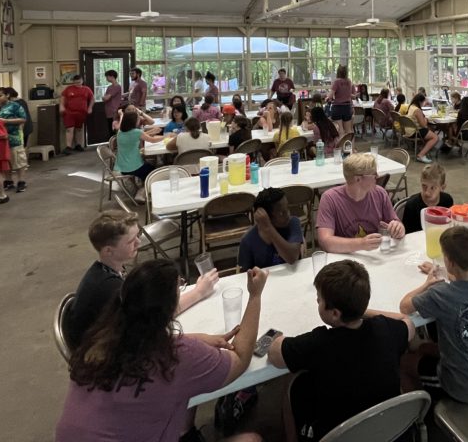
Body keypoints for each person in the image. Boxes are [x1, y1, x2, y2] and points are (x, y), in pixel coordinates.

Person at [57, 258, 265, 442]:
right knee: (251, 439)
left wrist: (198, 339)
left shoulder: (101, 338)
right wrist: (255, 296)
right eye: (180, 286)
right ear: (170, 307)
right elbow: (240, 357)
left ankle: (186, 432)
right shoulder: (179, 356)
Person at [267, 260, 414, 442]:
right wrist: (360, 310)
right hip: (389, 431)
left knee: (291, 382)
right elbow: (406, 321)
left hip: (337, 433)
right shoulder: (386, 329)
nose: (317, 301)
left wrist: (278, 338)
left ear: (335, 313)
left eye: (319, 299)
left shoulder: (318, 343)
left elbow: (274, 355)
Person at [65, 212, 218, 349]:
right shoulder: (111, 288)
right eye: (131, 241)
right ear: (108, 251)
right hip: (102, 357)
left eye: (138, 235)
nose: (139, 242)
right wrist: (199, 292)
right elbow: (155, 319)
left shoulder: (104, 270)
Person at [400, 226, 468, 403]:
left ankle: (419, 417)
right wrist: (442, 271)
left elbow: (404, 306)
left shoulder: (440, 294)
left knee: (405, 363)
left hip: (458, 386)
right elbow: (461, 281)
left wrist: (427, 284)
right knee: (425, 346)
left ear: (449, 262)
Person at [315, 153, 405, 252]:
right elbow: (325, 242)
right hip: (345, 258)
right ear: (358, 179)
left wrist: (398, 229)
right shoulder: (330, 199)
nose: (378, 176)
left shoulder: (380, 193)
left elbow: (397, 224)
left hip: (375, 256)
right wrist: (361, 244)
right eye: (374, 174)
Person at [238, 188, 304, 270]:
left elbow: (292, 258)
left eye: (287, 208)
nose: (287, 214)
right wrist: (267, 225)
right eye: (281, 212)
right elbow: (244, 275)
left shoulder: (293, 223)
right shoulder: (248, 240)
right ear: (266, 217)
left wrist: (269, 228)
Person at [114, 109, 163, 188]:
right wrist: (167, 136)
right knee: (154, 172)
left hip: (122, 167)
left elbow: (137, 135)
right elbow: (152, 140)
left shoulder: (120, 132)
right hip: (134, 167)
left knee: (149, 167)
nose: (139, 120)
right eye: (138, 119)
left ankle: (142, 187)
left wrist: (121, 114)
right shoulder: (136, 132)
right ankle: (145, 191)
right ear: (133, 122)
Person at [0, 87, 28, 193]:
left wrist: (5, 121)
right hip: (0, 139)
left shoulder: (15, 106)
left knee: (18, 161)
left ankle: (21, 182)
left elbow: (23, 119)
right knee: (5, 162)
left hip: (14, 137)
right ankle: (8, 181)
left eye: (0, 96)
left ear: (7, 95)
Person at [402, 163, 455, 234]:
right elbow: (407, 235)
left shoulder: (447, 200)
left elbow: (449, 228)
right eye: (424, 186)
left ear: (442, 187)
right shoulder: (412, 205)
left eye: (432, 188)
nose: (427, 192)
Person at [59, 74, 94, 154]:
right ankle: (68, 147)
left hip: (81, 113)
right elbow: (62, 97)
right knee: (69, 129)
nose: (77, 84)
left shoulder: (87, 89)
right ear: (73, 82)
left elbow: (92, 99)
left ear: (82, 81)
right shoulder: (68, 89)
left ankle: (78, 144)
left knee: (79, 129)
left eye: (79, 82)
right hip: (69, 112)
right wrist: (61, 106)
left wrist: (90, 107)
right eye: (75, 82)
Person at [406, 92, 439, 164]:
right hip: (415, 131)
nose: (423, 103)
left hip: (408, 130)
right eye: (423, 102)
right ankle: (421, 155)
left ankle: (423, 147)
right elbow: (424, 125)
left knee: (431, 129)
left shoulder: (411, 106)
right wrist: (426, 119)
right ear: (420, 101)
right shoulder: (417, 110)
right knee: (435, 137)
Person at [326, 64, 355, 136]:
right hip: (347, 107)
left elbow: (330, 95)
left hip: (338, 107)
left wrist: (327, 97)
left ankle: (342, 147)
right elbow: (349, 94)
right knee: (349, 130)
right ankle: (351, 146)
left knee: (340, 130)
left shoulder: (336, 81)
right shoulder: (349, 81)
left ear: (338, 72)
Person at [102, 70, 124, 140]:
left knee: (114, 128)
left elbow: (106, 98)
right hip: (108, 110)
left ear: (112, 76)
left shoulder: (117, 86)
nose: (106, 78)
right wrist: (104, 97)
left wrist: (104, 97)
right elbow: (105, 98)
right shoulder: (109, 87)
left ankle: (115, 144)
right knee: (110, 128)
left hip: (114, 110)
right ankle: (112, 143)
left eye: (107, 77)